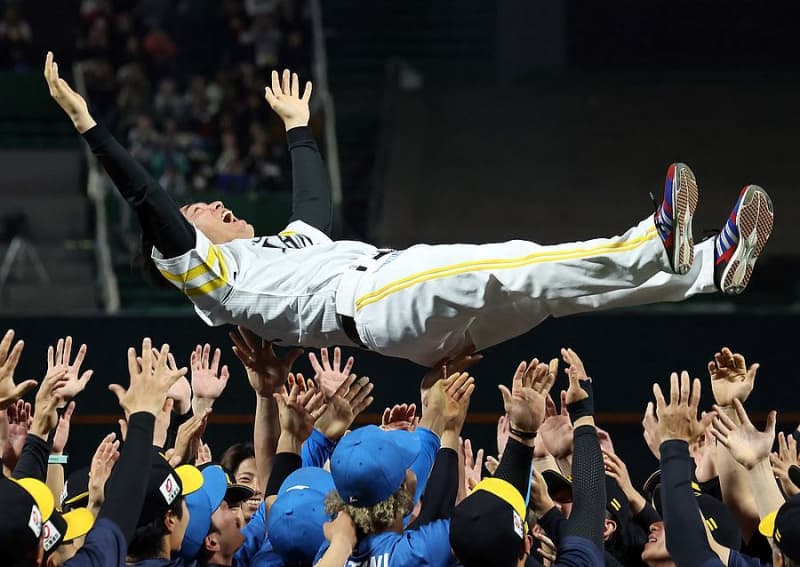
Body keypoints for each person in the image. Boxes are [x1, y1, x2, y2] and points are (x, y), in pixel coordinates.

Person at [43, 51, 775, 367]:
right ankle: (651, 240)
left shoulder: (276, 253)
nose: (212, 203)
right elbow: (150, 201)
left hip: (402, 322)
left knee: (549, 291)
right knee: (515, 262)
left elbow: (314, 208)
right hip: (376, 299)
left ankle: (707, 268)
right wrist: (90, 128)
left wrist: (299, 129)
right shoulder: (208, 278)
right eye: (199, 208)